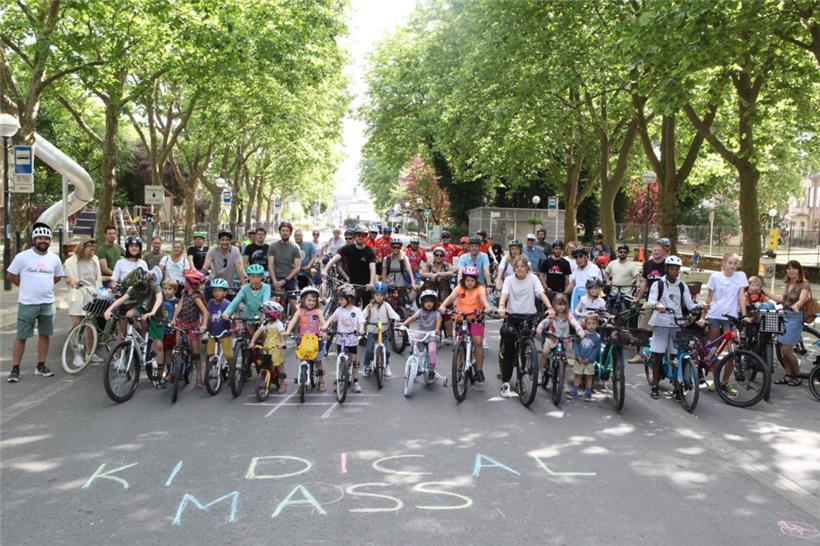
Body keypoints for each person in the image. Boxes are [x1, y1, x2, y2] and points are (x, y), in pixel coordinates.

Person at [6, 224, 65, 382]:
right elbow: (10, 275)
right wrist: (24, 285)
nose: (43, 241)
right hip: (27, 303)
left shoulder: (54, 258)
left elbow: (58, 277)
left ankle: (41, 365)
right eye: (40, 238)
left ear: (49, 240)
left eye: (46, 238)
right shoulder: (22, 257)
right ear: (34, 239)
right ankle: (15, 368)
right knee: (21, 336)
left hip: (47, 303)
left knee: (45, 335)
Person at [497, 257, 552, 397]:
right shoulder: (509, 280)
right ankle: (506, 382)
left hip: (528, 316)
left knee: (527, 342)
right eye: (517, 266)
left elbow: (541, 293)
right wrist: (502, 307)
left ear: (527, 268)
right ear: (514, 267)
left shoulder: (533, 278)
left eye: (523, 266)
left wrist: (550, 307)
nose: (520, 268)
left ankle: (523, 367)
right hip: (512, 315)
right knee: (509, 349)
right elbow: (504, 295)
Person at [645, 255, 698, 399]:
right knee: (658, 355)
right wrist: (658, 305)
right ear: (667, 269)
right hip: (661, 322)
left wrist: (699, 307)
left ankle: (677, 387)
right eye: (672, 269)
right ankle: (655, 385)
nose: (675, 272)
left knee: (677, 356)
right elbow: (651, 301)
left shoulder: (682, 285)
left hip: (677, 323)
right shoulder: (658, 284)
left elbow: (690, 303)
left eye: (677, 269)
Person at [438, 265, 491, 385]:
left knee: (477, 342)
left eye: (472, 280)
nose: (470, 283)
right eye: (467, 280)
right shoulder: (460, 287)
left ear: (476, 280)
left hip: (476, 319)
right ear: (464, 279)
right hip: (461, 319)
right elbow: (451, 297)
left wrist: (487, 307)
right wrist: (443, 306)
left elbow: (483, 300)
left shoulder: (480, 289)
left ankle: (478, 370)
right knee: (459, 343)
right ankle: (457, 369)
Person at [768, 260, 810, 386]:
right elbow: (783, 299)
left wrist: (797, 305)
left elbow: (803, 298)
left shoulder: (804, 283)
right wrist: (767, 293)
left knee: (786, 350)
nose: (791, 271)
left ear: (799, 269)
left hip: (795, 317)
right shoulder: (788, 283)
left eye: (794, 268)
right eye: (788, 268)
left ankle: (797, 375)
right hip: (785, 316)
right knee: (782, 348)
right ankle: (788, 375)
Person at [628, 240, 668, 363]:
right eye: (654, 250)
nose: (655, 252)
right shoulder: (647, 265)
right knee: (642, 328)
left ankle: (660, 356)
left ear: (663, 251)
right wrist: (638, 298)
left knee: (661, 329)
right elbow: (644, 282)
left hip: (664, 301)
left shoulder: (667, 264)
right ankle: (640, 354)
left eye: (658, 250)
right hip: (650, 300)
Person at [285, 286, 328, 391]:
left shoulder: (317, 311)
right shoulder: (299, 311)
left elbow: (323, 323)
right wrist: (287, 331)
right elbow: (293, 321)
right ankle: (302, 377)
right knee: (303, 358)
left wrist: (324, 332)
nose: (311, 302)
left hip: (315, 339)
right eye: (309, 300)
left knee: (318, 361)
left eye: (314, 300)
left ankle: (321, 380)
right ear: (303, 300)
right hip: (303, 338)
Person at [536, 293, 584, 384]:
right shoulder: (553, 314)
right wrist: (540, 327)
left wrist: (579, 329)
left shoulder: (568, 315)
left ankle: (562, 379)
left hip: (564, 340)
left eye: (564, 304)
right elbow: (545, 322)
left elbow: (574, 322)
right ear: (554, 305)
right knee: (545, 352)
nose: (562, 307)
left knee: (566, 359)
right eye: (559, 304)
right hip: (552, 338)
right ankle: (541, 371)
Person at [323, 225, 377, 305]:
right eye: (358, 235)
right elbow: (335, 258)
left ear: (366, 237)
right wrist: (325, 270)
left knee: (367, 309)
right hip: (352, 284)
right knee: (350, 307)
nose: (360, 237)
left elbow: (372, 268)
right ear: (355, 236)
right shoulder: (347, 248)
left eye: (363, 235)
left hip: (366, 285)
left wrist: (371, 282)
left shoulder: (369, 251)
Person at [326, 284, 365, 392]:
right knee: (340, 359)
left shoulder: (356, 311)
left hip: (352, 339)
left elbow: (361, 322)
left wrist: (361, 330)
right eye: (339, 299)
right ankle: (339, 377)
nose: (340, 302)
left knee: (354, 361)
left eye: (342, 299)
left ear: (350, 299)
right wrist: (324, 326)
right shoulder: (339, 310)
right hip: (340, 339)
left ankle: (356, 381)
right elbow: (331, 319)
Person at [402, 289, 443, 382]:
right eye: (427, 301)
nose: (429, 304)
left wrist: (436, 330)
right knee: (414, 342)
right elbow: (412, 318)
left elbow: (438, 322)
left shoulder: (436, 313)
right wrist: (403, 324)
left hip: (431, 334)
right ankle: (414, 361)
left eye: (431, 301)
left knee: (432, 351)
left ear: (435, 303)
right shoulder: (420, 311)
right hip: (421, 333)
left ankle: (431, 370)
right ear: (422, 302)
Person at [361, 280, 400, 377]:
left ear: (384, 296)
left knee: (386, 350)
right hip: (372, 332)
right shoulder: (370, 307)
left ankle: (386, 365)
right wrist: (361, 325)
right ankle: (366, 365)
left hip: (383, 331)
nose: (379, 297)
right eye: (377, 295)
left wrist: (397, 319)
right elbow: (362, 316)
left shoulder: (387, 306)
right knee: (369, 349)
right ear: (374, 295)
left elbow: (393, 314)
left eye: (381, 295)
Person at [64, 238, 102, 333]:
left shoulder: (95, 260)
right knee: (76, 326)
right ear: (83, 248)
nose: (92, 252)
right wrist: (71, 280)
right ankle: (75, 346)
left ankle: (90, 348)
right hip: (77, 293)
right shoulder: (71, 262)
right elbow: (66, 278)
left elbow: (98, 278)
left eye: (94, 249)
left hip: (92, 294)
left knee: (90, 326)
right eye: (90, 249)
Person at [250, 300, 287, 393]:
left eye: (267, 313)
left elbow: (282, 335)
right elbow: (258, 332)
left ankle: (283, 382)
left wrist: (282, 343)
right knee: (264, 363)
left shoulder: (278, 324)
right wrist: (252, 342)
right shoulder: (265, 323)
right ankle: (266, 379)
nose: (265, 315)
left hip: (276, 348)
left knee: (278, 365)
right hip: (266, 347)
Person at [267, 222, 302, 311]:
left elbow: (297, 268)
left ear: (290, 233)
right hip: (276, 277)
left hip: (290, 279)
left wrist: (285, 280)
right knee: (271, 305)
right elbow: (270, 264)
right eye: (283, 230)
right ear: (280, 232)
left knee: (295, 306)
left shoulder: (295, 247)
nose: (285, 232)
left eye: (287, 231)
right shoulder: (273, 246)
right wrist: (274, 281)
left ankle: (294, 325)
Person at [204, 278, 233, 383]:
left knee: (228, 355)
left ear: (225, 292)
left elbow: (234, 317)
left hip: (225, 333)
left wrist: (234, 327)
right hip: (213, 333)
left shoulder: (228, 304)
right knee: (209, 353)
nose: (217, 293)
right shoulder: (210, 303)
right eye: (215, 291)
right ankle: (208, 372)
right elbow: (206, 316)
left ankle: (231, 371)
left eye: (220, 290)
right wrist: (204, 327)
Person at [568, 314, 602, 402]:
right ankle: (574, 391)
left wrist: (590, 359)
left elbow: (596, 349)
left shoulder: (597, 337)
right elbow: (576, 344)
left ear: (597, 325)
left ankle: (587, 392)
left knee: (589, 376)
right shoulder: (581, 333)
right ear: (585, 324)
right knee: (577, 375)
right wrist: (578, 356)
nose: (591, 326)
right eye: (589, 323)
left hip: (589, 361)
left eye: (593, 324)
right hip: (579, 359)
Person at [202, 230, 245, 297]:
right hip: (213, 283)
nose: (225, 242)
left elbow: (239, 267)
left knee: (230, 306)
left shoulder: (235, 250)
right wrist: (200, 279)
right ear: (219, 240)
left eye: (227, 240)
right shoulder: (212, 251)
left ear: (230, 241)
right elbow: (205, 266)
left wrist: (243, 283)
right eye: (223, 240)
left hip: (228, 285)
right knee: (208, 305)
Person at [564, 247, 603, 312]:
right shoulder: (576, 269)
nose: (578, 259)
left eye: (580, 256)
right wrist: (563, 294)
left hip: (592, 300)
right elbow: (572, 283)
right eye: (576, 257)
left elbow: (595, 287)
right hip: (578, 298)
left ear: (586, 256)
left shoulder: (593, 268)